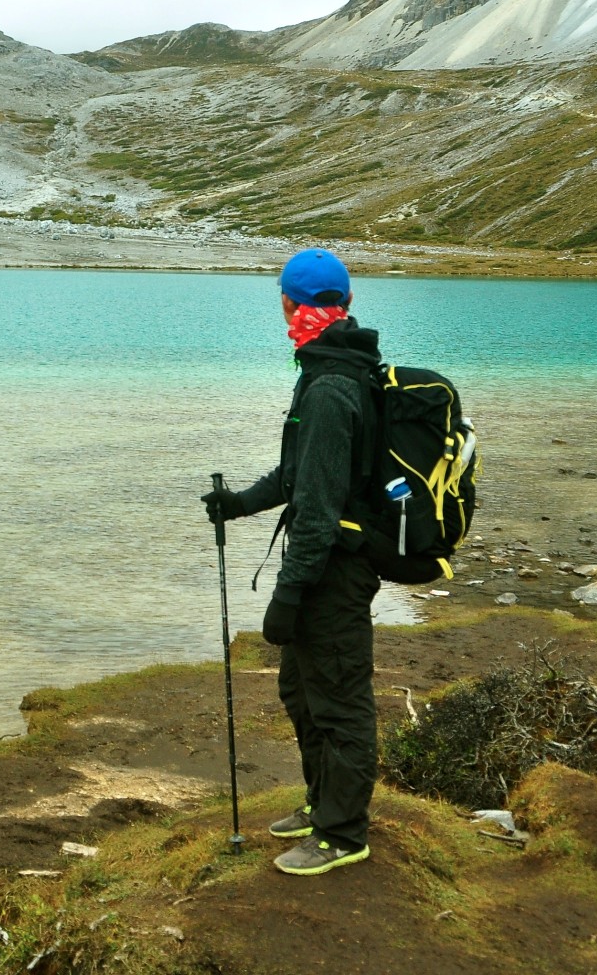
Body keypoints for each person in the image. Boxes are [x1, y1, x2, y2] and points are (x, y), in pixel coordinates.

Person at [202, 247, 383, 878]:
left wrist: (288, 594)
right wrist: (239, 504)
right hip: (326, 564)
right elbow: (298, 473)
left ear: (287, 303)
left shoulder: (332, 385)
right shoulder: (328, 367)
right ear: (347, 303)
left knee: (338, 701)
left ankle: (342, 834)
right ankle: (320, 804)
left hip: (335, 567)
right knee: (303, 693)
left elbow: (320, 511)